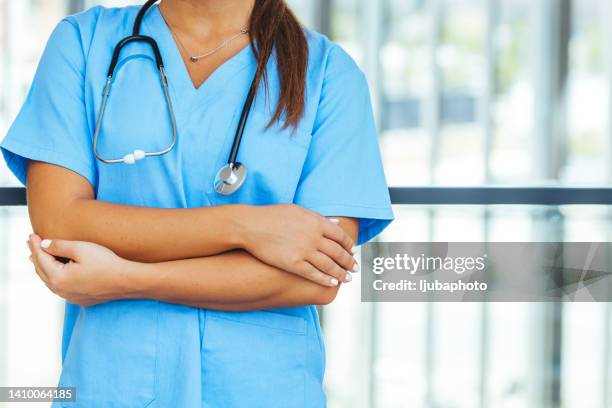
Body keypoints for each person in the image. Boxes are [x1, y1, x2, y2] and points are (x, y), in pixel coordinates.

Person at [0, 0, 393, 406]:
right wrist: (245, 227)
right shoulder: (83, 42)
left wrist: (126, 278)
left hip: (260, 389)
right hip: (114, 382)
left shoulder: (328, 74)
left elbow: (318, 274)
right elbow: (60, 221)